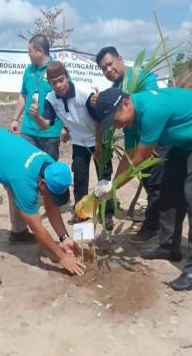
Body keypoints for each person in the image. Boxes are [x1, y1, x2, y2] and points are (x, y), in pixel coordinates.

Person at [0, 126, 85, 286]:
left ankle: (19, 233)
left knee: (17, 188)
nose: (51, 198)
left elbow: (51, 207)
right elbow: (37, 228)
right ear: (42, 183)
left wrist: (64, 238)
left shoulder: (50, 166)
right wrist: (62, 257)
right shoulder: (25, 179)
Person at [94, 87, 192, 291]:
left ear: (126, 104)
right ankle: (168, 247)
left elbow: (140, 159)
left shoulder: (152, 110)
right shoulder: (131, 116)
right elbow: (129, 156)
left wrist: (112, 188)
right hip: (182, 144)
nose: (118, 126)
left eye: (116, 119)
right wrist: (111, 183)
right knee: (168, 192)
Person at [91, 46, 169, 243]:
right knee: (147, 181)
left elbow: (151, 102)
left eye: (110, 64)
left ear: (121, 58)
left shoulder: (142, 77)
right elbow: (123, 128)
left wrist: (114, 185)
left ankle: (153, 227)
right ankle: (155, 224)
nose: (108, 70)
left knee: (157, 184)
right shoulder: (116, 89)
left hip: (156, 139)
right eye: (103, 68)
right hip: (135, 138)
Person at [29, 61, 113, 226]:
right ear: (50, 83)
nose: (59, 85)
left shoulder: (84, 92)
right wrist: (36, 117)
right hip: (79, 142)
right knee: (80, 178)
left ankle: (107, 213)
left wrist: (97, 145)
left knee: (104, 178)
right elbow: (46, 124)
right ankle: (81, 212)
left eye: (61, 80)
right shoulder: (50, 99)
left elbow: (98, 120)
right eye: (54, 82)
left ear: (67, 77)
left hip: (98, 139)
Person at [10, 34, 63, 161]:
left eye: (30, 51)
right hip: (28, 132)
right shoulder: (28, 70)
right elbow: (23, 95)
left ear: (40, 51)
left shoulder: (56, 69)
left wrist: (66, 127)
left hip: (50, 133)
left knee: (48, 173)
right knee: (27, 171)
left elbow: (65, 98)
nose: (28, 54)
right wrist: (15, 119)